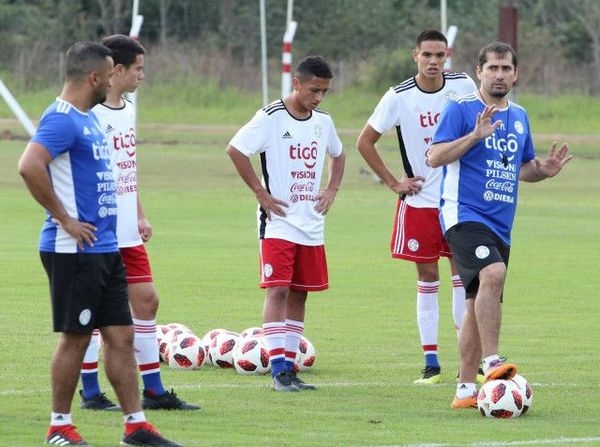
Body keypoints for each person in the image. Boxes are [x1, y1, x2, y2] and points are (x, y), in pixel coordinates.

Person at [18, 41, 181, 446]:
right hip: (74, 251)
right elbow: (28, 165)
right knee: (75, 337)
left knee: (121, 337)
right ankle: (59, 427)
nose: (114, 80)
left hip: (105, 248)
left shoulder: (89, 119)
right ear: (94, 77)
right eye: (109, 75)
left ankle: (136, 426)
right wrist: (65, 218)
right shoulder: (62, 119)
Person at [428, 42, 572, 408]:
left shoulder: (520, 116)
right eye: (493, 68)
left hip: (500, 223)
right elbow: (434, 157)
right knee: (492, 273)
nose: (500, 75)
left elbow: (522, 167)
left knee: (478, 300)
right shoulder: (460, 109)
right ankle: (492, 362)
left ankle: (464, 389)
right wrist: (474, 136)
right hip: (462, 214)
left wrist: (542, 171)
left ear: (516, 74)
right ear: (479, 71)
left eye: (506, 69)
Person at [77, 34, 199, 412]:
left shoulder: (127, 109)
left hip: (128, 230)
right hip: (99, 230)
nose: (142, 76)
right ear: (117, 70)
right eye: (138, 69)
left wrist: (139, 212)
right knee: (94, 313)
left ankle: (155, 390)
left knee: (146, 302)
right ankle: (90, 392)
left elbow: (126, 168)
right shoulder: (89, 114)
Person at [356, 29, 483, 384]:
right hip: (421, 202)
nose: (433, 62)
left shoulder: (462, 87)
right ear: (415, 55)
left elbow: (482, 126)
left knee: (464, 278)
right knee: (428, 279)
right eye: (427, 55)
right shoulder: (398, 96)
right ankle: (431, 362)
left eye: (439, 55)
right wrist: (394, 182)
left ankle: (468, 358)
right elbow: (365, 142)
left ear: (448, 56)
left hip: (459, 201)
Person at [226, 56, 345, 392]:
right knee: (277, 289)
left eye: (324, 91)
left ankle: (290, 369)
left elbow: (339, 153)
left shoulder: (323, 121)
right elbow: (235, 149)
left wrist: (331, 189)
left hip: (311, 224)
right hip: (278, 222)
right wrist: (261, 194)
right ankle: (278, 370)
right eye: (313, 90)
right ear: (296, 83)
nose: (319, 97)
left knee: (300, 293)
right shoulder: (271, 117)